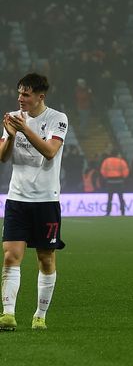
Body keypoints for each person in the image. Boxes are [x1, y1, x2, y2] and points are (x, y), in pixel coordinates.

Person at [0, 73, 68, 331]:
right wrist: (10, 135)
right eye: (19, 93)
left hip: (46, 200)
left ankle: (40, 315)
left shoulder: (57, 118)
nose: (20, 99)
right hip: (17, 198)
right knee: (10, 255)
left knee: (46, 258)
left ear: (41, 96)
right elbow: (3, 157)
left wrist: (23, 129)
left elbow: (50, 151)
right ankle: (8, 314)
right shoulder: (11, 117)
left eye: (26, 94)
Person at [100, 151, 130, 216]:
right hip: (119, 181)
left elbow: (102, 170)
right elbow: (126, 171)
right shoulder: (121, 161)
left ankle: (108, 212)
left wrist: (106, 176)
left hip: (110, 181)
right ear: (117, 155)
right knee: (121, 198)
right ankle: (123, 212)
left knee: (109, 198)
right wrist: (123, 177)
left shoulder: (106, 161)